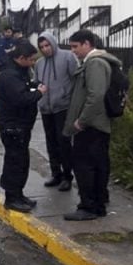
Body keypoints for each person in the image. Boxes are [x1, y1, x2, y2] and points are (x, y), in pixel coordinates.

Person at [62, 29, 123, 221]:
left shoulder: (95, 63)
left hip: (91, 126)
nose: (73, 51)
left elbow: (95, 95)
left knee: (85, 166)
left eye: (75, 47)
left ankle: (88, 206)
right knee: (99, 164)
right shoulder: (97, 62)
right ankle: (98, 202)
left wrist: (81, 121)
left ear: (87, 44)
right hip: (98, 125)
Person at [0, 38, 47, 212]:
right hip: (13, 126)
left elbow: (24, 87)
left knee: (22, 161)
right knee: (15, 162)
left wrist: (33, 85)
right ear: (21, 58)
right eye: (31, 59)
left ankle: (19, 194)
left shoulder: (19, 72)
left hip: (21, 126)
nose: (33, 62)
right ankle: (11, 197)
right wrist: (39, 93)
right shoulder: (9, 75)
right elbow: (20, 99)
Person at [35, 31, 78, 192]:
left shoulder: (67, 57)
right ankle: (56, 173)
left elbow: (76, 79)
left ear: (53, 43)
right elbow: (37, 82)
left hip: (63, 107)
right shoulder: (39, 63)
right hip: (46, 108)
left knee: (64, 141)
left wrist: (70, 99)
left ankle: (68, 176)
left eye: (47, 45)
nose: (45, 49)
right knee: (51, 141)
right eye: (42, 47)